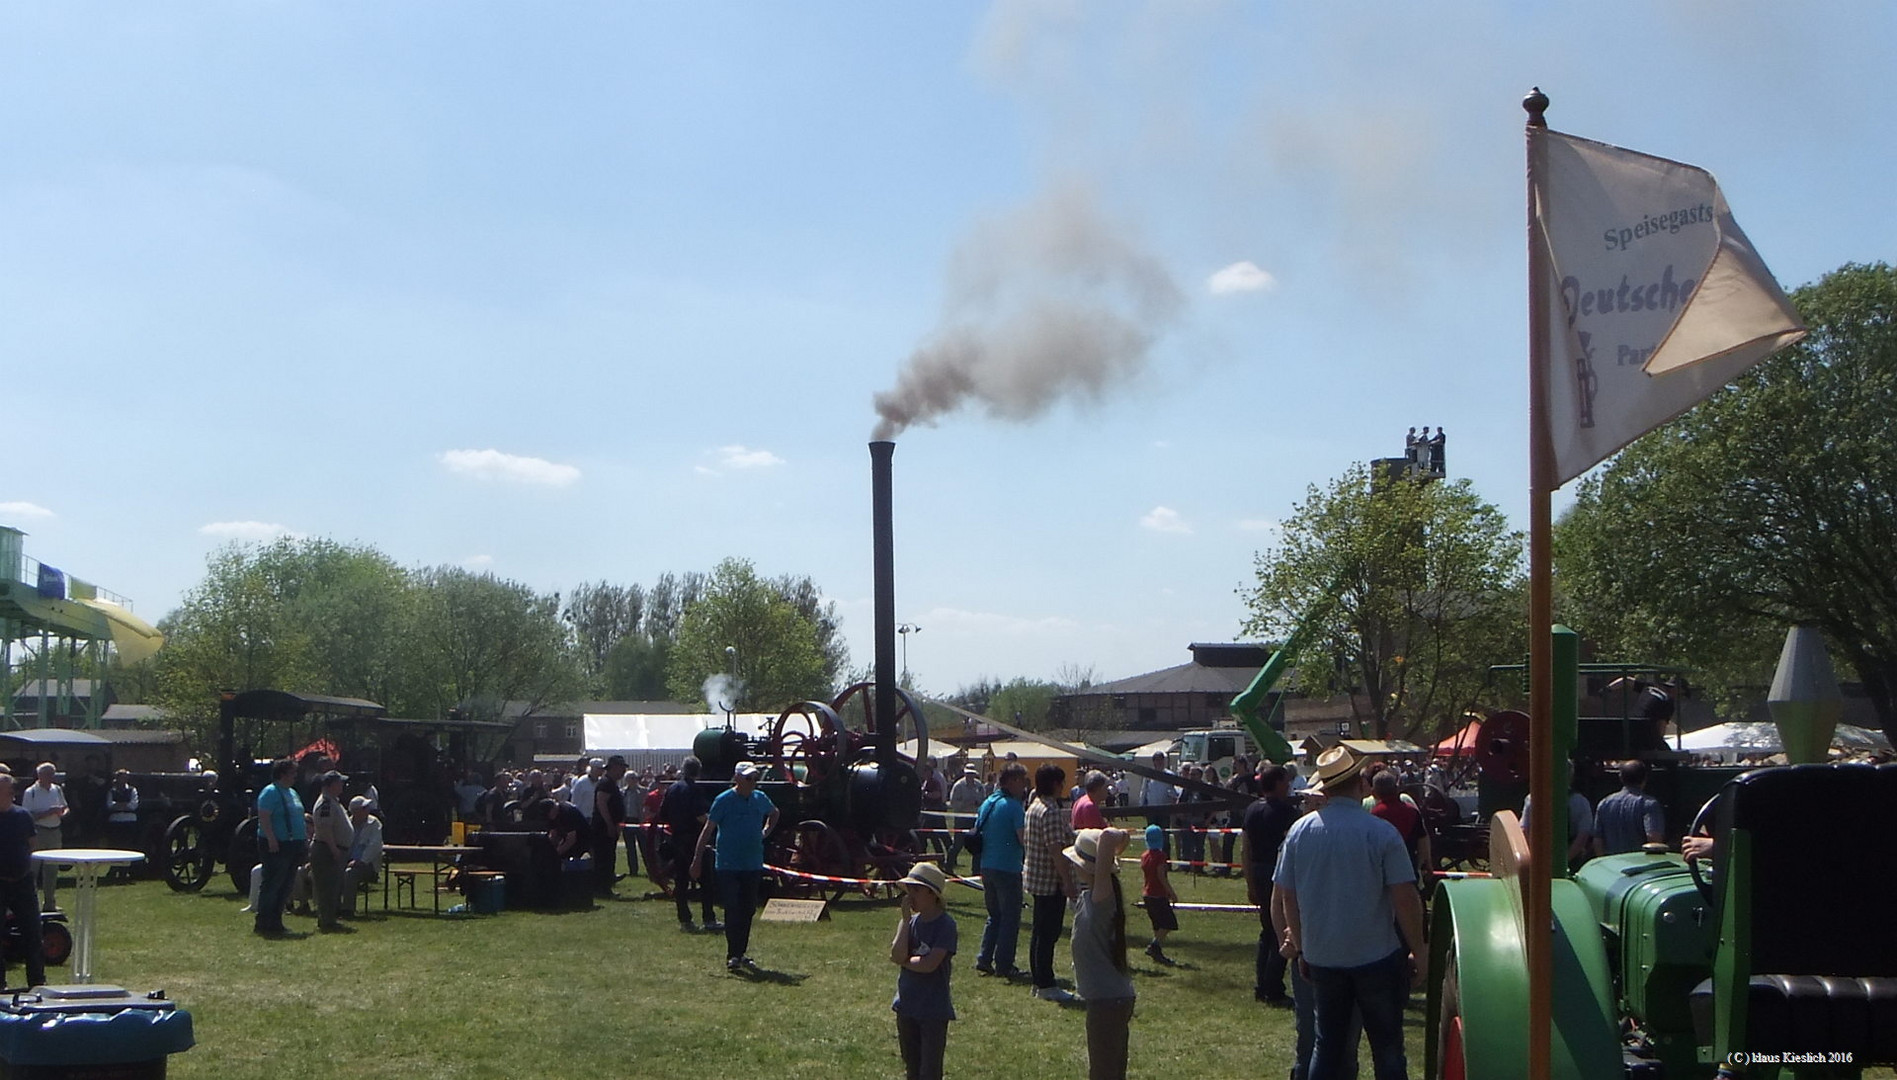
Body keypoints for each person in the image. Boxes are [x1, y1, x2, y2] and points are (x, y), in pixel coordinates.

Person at [1275, 744, 1426, 1080]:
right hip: (1376, 956)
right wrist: (1418, 949)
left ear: (1324, 788)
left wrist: (1301, 948)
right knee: (1387, 1049)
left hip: (1323, 958)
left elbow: (1288, 897)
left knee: (1326, 1046)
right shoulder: (1381, 833)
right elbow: (1405, 897)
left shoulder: (1299, 833)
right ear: (1362, 784)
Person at [692, 761, 779, 971]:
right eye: (749, 778)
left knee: (748, 908)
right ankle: (733, 954)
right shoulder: (723, 800)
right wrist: (696, 859)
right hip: (728, 863)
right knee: (732, 908)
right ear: (737, 778)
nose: (753, 782)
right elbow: (708, 829)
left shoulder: (760, 798)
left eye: (755, 778)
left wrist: (765, 832)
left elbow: (774, 812)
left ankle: (741, 952)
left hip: (752, 862)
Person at [1067, 827, 1135, 1080]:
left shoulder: (1101, 899)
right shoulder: (1090, 896)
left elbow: (1107, 837)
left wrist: (1118, 840)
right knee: (1110, 1070)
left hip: (1108, 1001)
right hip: (1107, 998)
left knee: (1104, 1073)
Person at [890, 862, 957, 1080]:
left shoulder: (945, 925)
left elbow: (929, 965)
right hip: (907, 1005)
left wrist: (905, 961)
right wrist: (905, 921)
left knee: (929, 1071)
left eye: (916, 890)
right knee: (912, 1067)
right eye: (909, 890)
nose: (910, 896)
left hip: (932, 1010)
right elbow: (896, 954)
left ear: (931, 893)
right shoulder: (910, 923)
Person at [1241, 764, 1296, 1005]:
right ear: (1277, 783)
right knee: (1281, 933)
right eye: (1286, 781)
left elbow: (1246, 849)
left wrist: (1249, 881)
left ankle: (1261, 984)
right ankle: (1273, 988)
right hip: (1279, 874)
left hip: (1258, 871)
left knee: (1267, 931)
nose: (1289, 786)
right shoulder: (1287, 812)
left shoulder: (1252, 810)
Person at [1024, 764, 1079, 1002]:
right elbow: (1057, 850)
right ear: (1055, 784)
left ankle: (1039, 981)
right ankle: (1046, 984)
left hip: (1035, 878)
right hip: (1050, 881)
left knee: (1039, 933)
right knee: (1048, 934)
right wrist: (1067, 882)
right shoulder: (1051, 811)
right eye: (1061, 782)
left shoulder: (1033, 807)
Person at [973, 762, 1029, 979]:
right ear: (1013, 781)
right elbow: (1022, 838)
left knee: (994, 915)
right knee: (1010, 918)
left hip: (987, 865)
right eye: (1022, 781)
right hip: (1007, 867)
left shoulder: (988, 803)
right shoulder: (1014, 807)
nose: (1024, 786)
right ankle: (1004, 964)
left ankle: (984, 958)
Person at [661, 757, 718, 931]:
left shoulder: (672, 789)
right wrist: (715, 824)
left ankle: (685, 920)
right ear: (698, 771)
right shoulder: (695, 790)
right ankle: (709, 919)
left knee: (681, 882)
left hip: (677, 839)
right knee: (706, 880)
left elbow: (663, 814)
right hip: (694, 840)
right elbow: (700, 816)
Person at [0, 774, 45, 990]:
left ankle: (37, 982)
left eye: (7, 790)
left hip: (23, 881)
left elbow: (32, 844)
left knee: (33, 932)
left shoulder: (23, 816)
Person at [254, 759, 307, 936]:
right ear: (282, 774)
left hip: (293, 844)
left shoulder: (292, 792)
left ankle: (276, 921)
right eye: (293, 773)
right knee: (273, 883)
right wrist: (271, 839)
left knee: (286, 884)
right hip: (277, 844)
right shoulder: (270, 792)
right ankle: (264, 922)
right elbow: (264, 816)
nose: (295, 777)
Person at [308, 771, 354, 932]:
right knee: (326, 887)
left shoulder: (334, 801)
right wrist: (334, 849)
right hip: (327, 850)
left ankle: (329, 918)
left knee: (333, 887)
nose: (342, 785)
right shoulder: (326, 803)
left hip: (333, 849)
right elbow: (325, 828)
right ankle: (327, 921)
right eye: (339, 782)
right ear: (331, 785)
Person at [1368, 770, 1432, 881]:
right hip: (1409, 869)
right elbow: (1422, 841)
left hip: (1383, 874)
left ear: (1374, 792)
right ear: (1397, 788)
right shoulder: (1412, 811)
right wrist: (1424, 863)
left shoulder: (1374, 814)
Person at [1593, 760, 1665, 856]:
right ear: (1645, 779)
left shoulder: (1604, 803)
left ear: (1621, 778)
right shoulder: (1649, 804)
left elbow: (1597, 841)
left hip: (1611, 865)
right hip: (1638, 866)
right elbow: (1654, 839)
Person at [21, 763, 67, 911]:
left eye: (53, 774)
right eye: (48, 774)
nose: (51, 777)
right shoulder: (31, 792)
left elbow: (65, 807)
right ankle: (29, 902)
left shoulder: (57, 790)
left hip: (55, 831)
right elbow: (27, 816)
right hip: (38, 832)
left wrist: (62, 812)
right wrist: (49, 812)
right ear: (40, 775)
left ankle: (49, 903)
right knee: (33, 870)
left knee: (52, 870)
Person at [1139, 824, 1178, 964]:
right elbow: (1161, 876)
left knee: (1157, 924)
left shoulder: (1144, 856)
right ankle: (1154, 946)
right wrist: (1172, 893)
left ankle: (1158, 953)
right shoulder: (1161, 856)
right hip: (1158, 894)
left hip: (1147, 894)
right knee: (1169, 923)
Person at [591, 755, 629, 897]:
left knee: (608, 857)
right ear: (614, 768)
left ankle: (605, 887)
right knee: (603, 858)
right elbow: (602, 803)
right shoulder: (605, 783)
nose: (623, 772)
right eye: (621, 768)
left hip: (609, 826)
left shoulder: (611, 784)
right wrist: (609, 824)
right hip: (602, 827)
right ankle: (601, 888)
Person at [343, 795, 382, 916]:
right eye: (364, 807)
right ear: (355, 811)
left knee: (350, 873)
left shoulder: (374, 823)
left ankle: (348, 909)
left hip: (367, 865)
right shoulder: (346, 824)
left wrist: (361, 860)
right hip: (346, 861)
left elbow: (375, 845)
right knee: (333, 871)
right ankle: (333, 907)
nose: (368, 809)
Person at [944, 766, 986, 874]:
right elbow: (953, 802)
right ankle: (948, 865)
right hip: (961, 819)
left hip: (975, 818)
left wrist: (978, 803)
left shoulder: (979, 786)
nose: (970, 776)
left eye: (972, 774)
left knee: (976, 845)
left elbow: (984, 800)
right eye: (968, 774)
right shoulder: (958, 786)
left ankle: (976, 870)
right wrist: (964, 803)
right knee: (958, 844)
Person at [105, 769, 141, 854]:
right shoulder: (111, 791)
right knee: (116, 845)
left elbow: (134, 805)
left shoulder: (132, 790)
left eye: (125, 778)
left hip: (129, 820)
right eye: (120, 778)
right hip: (115, 820)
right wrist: (125, 805)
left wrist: (118, 805)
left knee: (129, 845)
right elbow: (109, 805)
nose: (122, 780)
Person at [1140, 754, 1176, 828]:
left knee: (1164, 831)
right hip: (1151, 809)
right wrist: (1141, 806)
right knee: (1152, 831)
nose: (1159, 762)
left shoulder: (1170, 774)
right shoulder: (1148, 774)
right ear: (1154, 762)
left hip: (1165, 809)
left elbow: (1173, 791)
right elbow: (1144, 791)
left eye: (1161, 760)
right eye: (1157, 760)